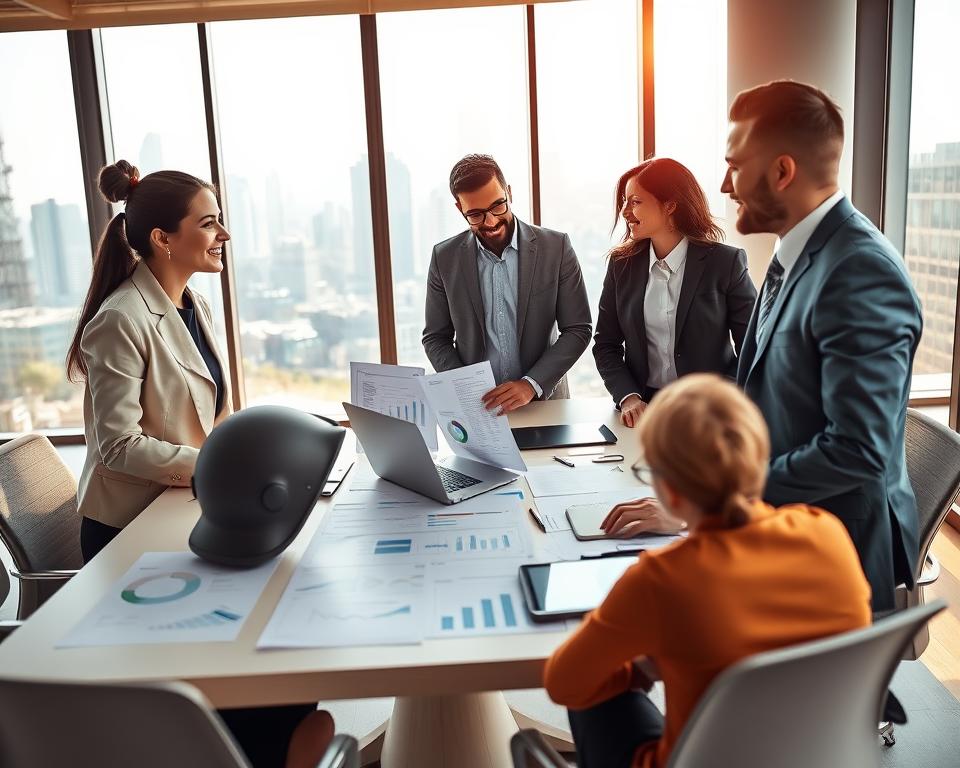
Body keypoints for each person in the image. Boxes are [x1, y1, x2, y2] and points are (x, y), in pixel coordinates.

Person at [65, 161, 325, 768]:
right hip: (130, 531)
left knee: (283, 642)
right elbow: (118, 448)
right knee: (260, 683)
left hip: (181, 508)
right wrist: (220, 465)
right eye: (209, 224)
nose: (223, 235)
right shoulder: (120, 320)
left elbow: (209, 416)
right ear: (163, 238)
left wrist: (251, 452)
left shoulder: (191, 305)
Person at [544, 374, 871, 768]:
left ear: (672, 493)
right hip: (820, 754)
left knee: (596, 691)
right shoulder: (826, 532)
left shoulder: (660, 579)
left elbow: (563, 682)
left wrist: (639, 671)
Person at [723, 80, 922, 613]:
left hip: (833, 561)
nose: (725, 184)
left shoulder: (859, 271)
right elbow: (774, 393)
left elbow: (858, 448)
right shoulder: (796, 252)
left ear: (782, 172)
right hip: (783, 528)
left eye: (736, 165)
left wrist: (724, 500)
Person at [422, 154, 592, 414]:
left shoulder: (556, 248)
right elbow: (435, 338)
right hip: (479, 409)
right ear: (460, 209)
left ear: (509, 193)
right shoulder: (444, 258)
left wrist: (530, 384)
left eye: (498, 206)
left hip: (544, 403)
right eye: (476, 214)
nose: (491, 222)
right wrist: (464, 385)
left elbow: (578, 329)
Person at [594, 158, 756, 428]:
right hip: (643, 411)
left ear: (670, 205)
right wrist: (628, 397)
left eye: (635, 202)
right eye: (624, 202)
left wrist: (720, 400)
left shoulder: (725, 263)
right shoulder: (621, 265)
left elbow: (752, 347)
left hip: (710, 413)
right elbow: (606, 345)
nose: (624, 212)